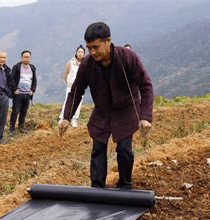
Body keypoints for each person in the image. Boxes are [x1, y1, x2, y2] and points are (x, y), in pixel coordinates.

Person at [58, 22, 153, 189]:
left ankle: (124, 185)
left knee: (124, 149)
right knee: (98, 148)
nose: (92, 52)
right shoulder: (87, 64)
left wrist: (145, 117)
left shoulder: (127, 57)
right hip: (102, 112)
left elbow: (146, 86)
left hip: (126, 110)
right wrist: (66, 117)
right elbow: (76, 91)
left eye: (96, 47)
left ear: (108, 41)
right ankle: (97, 187)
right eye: (89, 48)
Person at [9, 50, 37, 136]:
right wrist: (15, 89)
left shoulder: (32, 68)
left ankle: (21, 127)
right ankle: (11, 128)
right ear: (21, 58)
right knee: (15, 111)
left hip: (27, 94)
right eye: (25, 57)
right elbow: (11, 78)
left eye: (28, 57)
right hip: (18, 93)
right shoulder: (17, 67)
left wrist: (32, 90)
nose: (26, 59)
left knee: (24, 111)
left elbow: (34, 81)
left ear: (30, 58)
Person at [59, 45, 85, 128]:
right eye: (79, 52)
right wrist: (68, 83)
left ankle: (74, 119)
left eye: (82, 52)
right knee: (67, 101)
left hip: (80, 87)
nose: (80, 54)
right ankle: (62, 117)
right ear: (76, 53)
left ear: (84, 54)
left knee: (78, 103)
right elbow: (66, 74)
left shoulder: (85, 64)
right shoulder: (70, 62)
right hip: (70, 86)